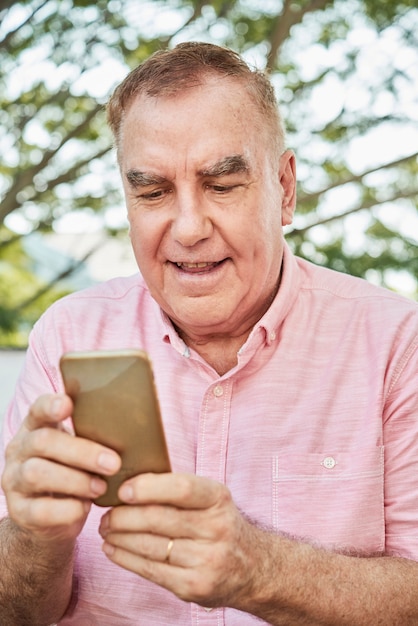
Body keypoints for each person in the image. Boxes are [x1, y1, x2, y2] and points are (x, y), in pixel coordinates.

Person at [1, 41, 418, 626]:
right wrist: (31, 536)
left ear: (285, 189)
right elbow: (16, 610)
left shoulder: (397, 342)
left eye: (222, 186)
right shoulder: (67, 335)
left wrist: (262, 571)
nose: (189, 228)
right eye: (152, 191)